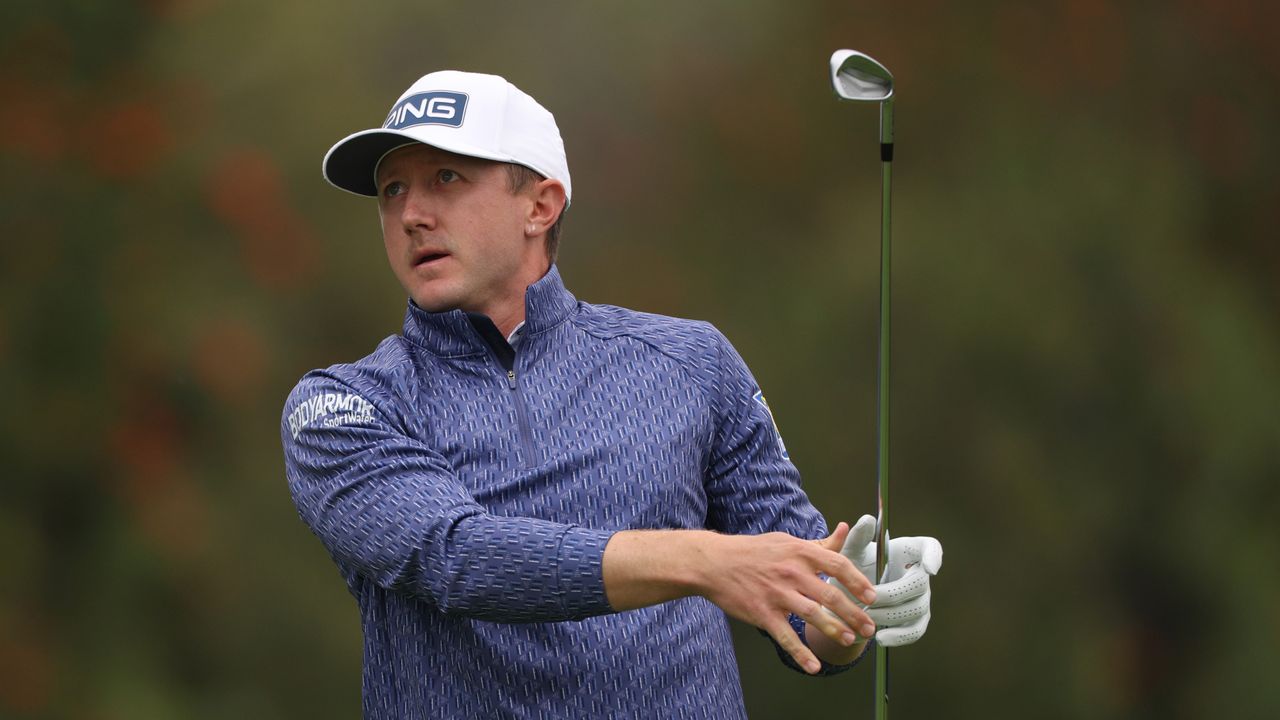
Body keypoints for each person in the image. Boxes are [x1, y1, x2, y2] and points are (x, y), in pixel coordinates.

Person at [281, 70, 942, 719]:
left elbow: (802, 608)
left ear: (540, 205)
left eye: (445, 179)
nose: (410, 215)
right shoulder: (343, 406)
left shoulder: (692, 363)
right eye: (391, 191)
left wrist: (852, 605)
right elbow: (456, 558)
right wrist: (700, 558)